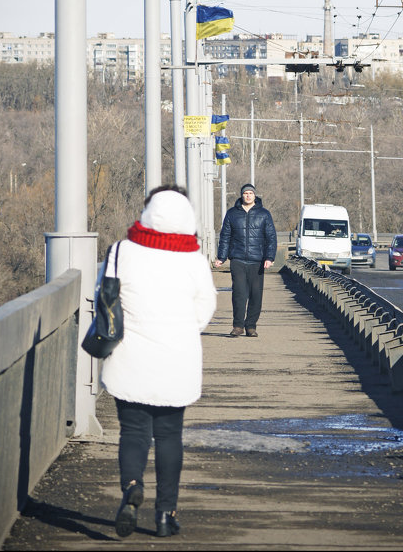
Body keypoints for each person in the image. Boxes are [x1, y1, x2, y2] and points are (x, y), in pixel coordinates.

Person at [99, 185, 217, 539]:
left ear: (147, 212)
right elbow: (205, 308)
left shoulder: (122, 252)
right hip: (176, 360)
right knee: (169, 437)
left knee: (133, 432)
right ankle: (165, 515)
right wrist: (181, 330)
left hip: (130, 357)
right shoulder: (193, 260)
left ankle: (132, 486)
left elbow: (102, 297)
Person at [214, 183, 277, 338]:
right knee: (239, 294)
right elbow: (225, 237)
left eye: (250, 193)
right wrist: (221, 257)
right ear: (241, 195)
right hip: (238, 259)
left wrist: (269, 257)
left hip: (258, 260)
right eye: (245, 193)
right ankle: (238, 326)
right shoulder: (232, 214)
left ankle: (251, 326)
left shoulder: (264, 214)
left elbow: (271, 238)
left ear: (255, 195)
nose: (248, 195)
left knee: (256, 294)